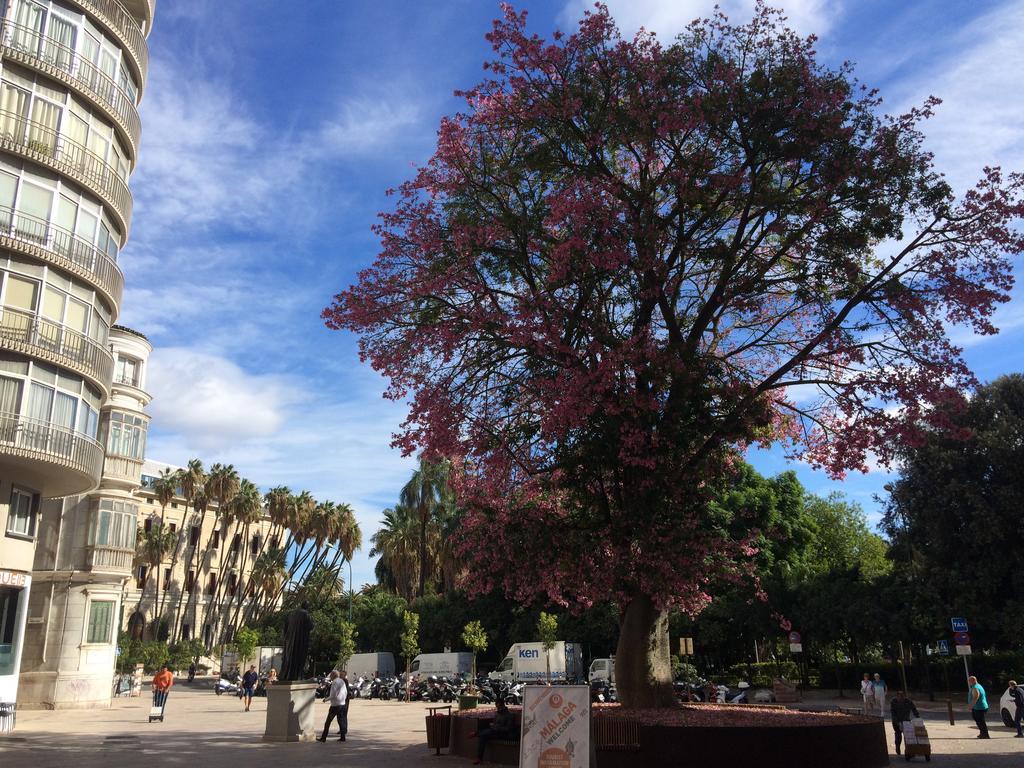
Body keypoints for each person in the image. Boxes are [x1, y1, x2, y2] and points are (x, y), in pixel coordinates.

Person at [471, 698, 515, 765]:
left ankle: (476, 733)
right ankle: (479, 758)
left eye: (498, 707)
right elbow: (494, 724)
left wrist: (496, 727)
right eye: (497, 707)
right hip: (494, 732)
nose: (497, 708)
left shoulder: (509, 715)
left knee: (486, 733)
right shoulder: (498, 714)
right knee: (482, 737)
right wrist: (493, 726)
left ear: (502, 706)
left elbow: (508, 729)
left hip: (503, 734)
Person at [317, 670, 349, 742]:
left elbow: (333, 695)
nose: (330, 676)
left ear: (333, 675)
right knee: (341, 721)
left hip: (335, 705)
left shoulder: (334, 682)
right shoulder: (341, 681)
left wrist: (326, 699)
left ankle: (323, 737)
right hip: (342, 704)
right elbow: (345, 692)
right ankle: (343, 737)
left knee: (328, 722)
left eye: (331, 675)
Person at [890, 689, 920, 755]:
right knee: (898, 735)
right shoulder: (893, 701)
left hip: (906, 721)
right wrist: (898, 723)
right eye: (899, 697)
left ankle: (909, 750)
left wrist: (918, 717)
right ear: (897, 696)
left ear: (904, 696)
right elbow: (893, 713)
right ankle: (897, 747)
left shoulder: (908, 701)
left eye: (902, 696)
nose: (901, 698)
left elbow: (914, 709)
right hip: (896, 721)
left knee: (908, 736)